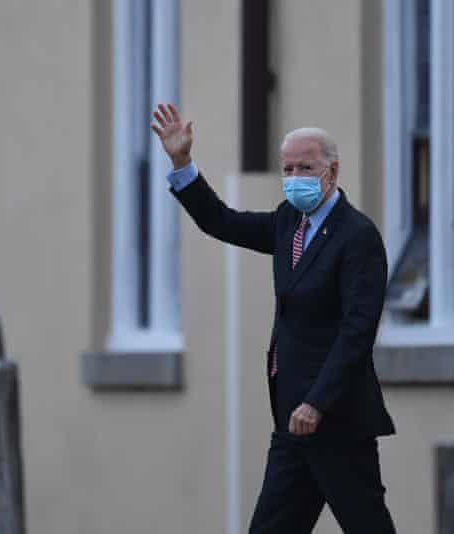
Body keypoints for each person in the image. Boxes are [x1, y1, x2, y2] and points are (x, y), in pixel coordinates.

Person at [151, 103, 397, 533]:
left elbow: (356, 334)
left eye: (306, 167)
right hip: (292, 424)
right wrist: (183, 163)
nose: (295, 177)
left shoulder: (357, 236)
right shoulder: (289, 223)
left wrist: (317, 403)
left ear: (332, 172)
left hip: (337, 423)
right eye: (288, 169)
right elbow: (222, 222)